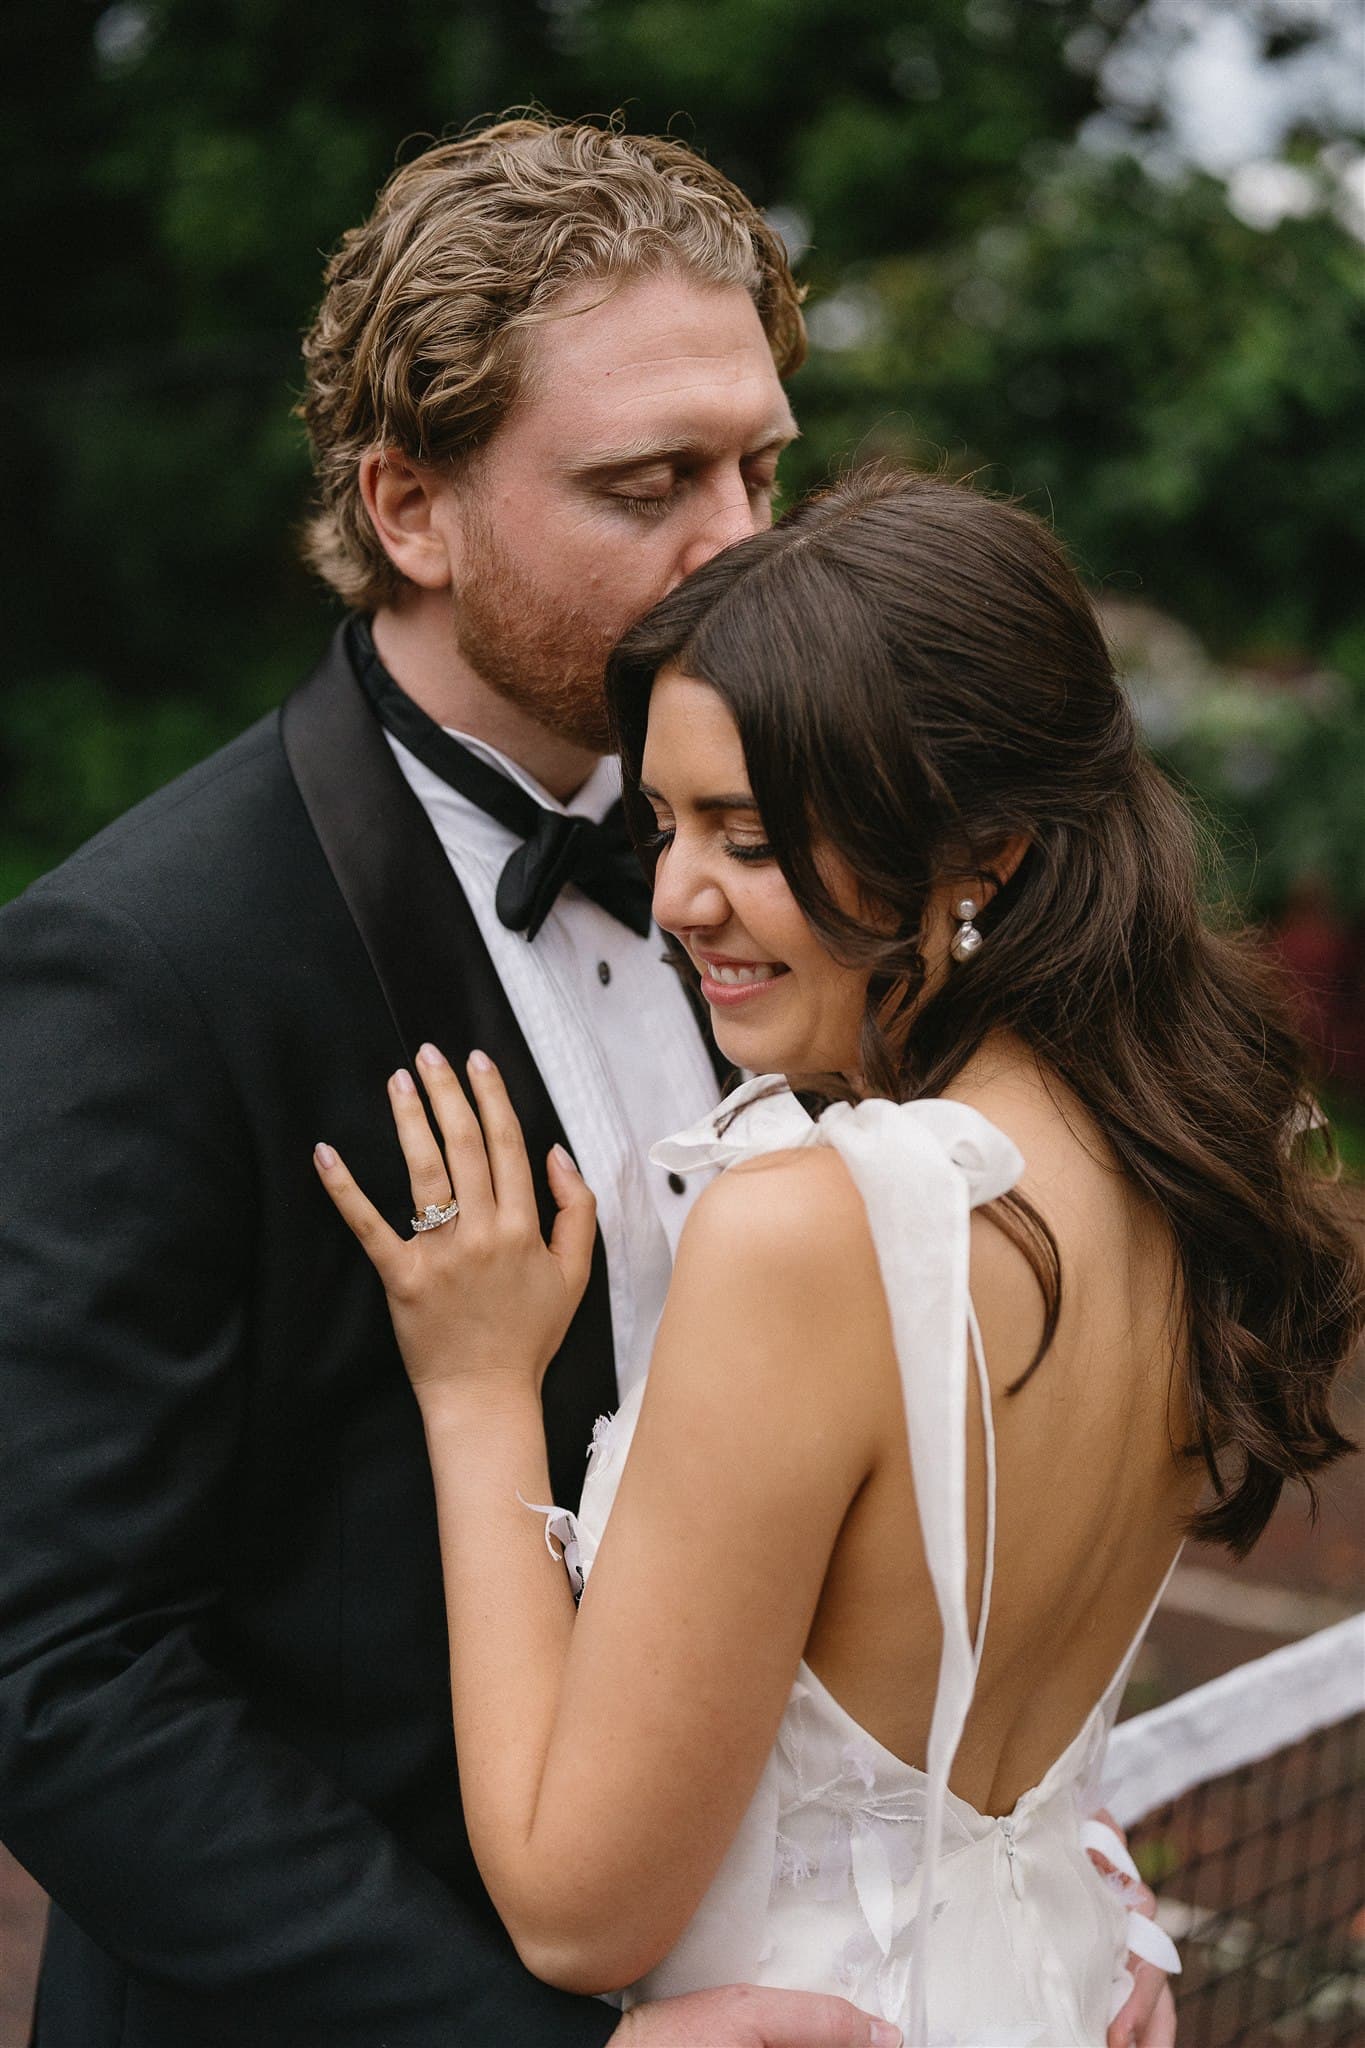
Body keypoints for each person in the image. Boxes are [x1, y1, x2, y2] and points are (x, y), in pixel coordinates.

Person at [0, 116, 1167, 2047]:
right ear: (409, 507)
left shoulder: (848, 882)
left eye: (760, 465)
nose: (741, 542)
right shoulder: (141, 968)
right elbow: (56, 1663)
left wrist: (1032, 1863)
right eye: (651, 483)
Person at [317, 470, 1363, 2043]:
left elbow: (574, 1901)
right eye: (662, 822)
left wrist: (476, 1393)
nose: (677, 898)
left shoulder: (817, 1225)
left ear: (983, 859)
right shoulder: (1195, 1155)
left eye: (746, 835)